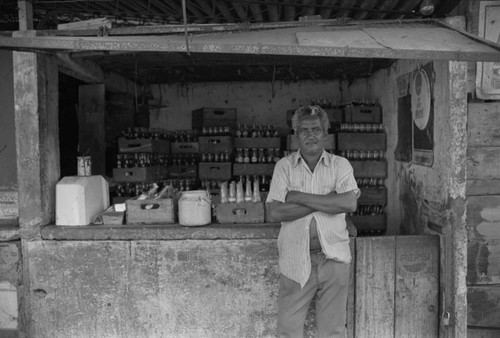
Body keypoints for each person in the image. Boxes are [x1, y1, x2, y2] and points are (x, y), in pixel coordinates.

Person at [266, 105, 360, 338]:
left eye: (316, 129)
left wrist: (297, 197)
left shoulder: (340, 165)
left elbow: (349, 203)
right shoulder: (284, 167)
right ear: (295, 133)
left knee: (333, 332)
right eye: (304, 130)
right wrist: (328, 201)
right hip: (295, 260)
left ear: (325, 133)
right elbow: (275, 212)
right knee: (288, 330)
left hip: (334, 259)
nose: (311, 135)